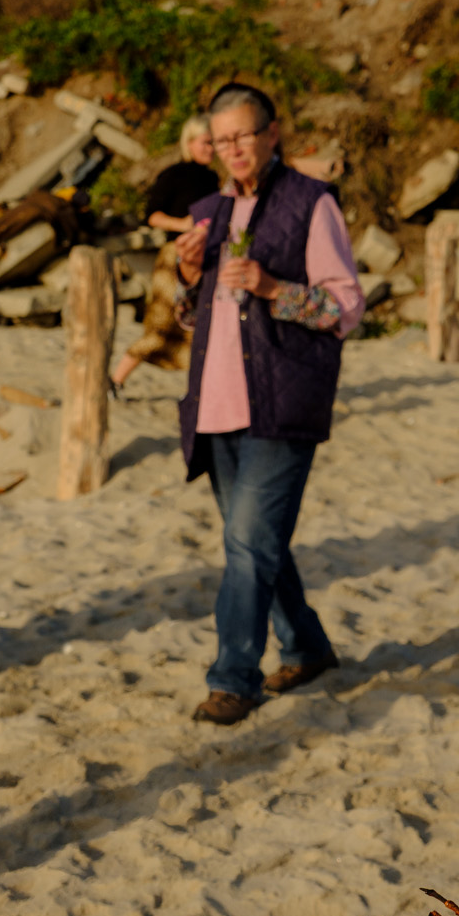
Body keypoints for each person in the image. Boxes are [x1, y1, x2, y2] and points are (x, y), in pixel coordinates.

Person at [171, 83, 364, 726]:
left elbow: (344, 308)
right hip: (214, 404)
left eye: (243, 136)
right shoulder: (208, 210)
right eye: (221, 140)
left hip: (282, 403)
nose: (233, 150)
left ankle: (234, 678)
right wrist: (186, 278)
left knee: (249, 544)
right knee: (254, 543)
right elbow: (189, 321)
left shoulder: (313, 204)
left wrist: (273, 286)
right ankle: (307, 646)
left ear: (272, 134)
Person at [112, 118, 220, 390]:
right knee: (160, 326)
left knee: (200, 328)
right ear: (190, 142)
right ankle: (115, 380)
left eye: (214, 142)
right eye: (207, 142)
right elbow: (151, 215)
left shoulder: (213, 178)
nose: (212, 148)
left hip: (205, 258)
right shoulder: (174, 175)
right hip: (175, 256)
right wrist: (183, 224)